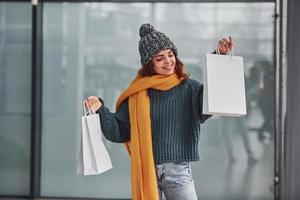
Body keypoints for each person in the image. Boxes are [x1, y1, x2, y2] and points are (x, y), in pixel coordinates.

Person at [84, 23, 233, 200]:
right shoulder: (137, 93)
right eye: (159, 58)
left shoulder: (189, 88)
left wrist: (219, 59)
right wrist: (100, 109)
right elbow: (119, 132)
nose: (168, 61)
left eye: (170, 55)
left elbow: (209, 103)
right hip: (146, 169)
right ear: (149, 64)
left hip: (178, 172)